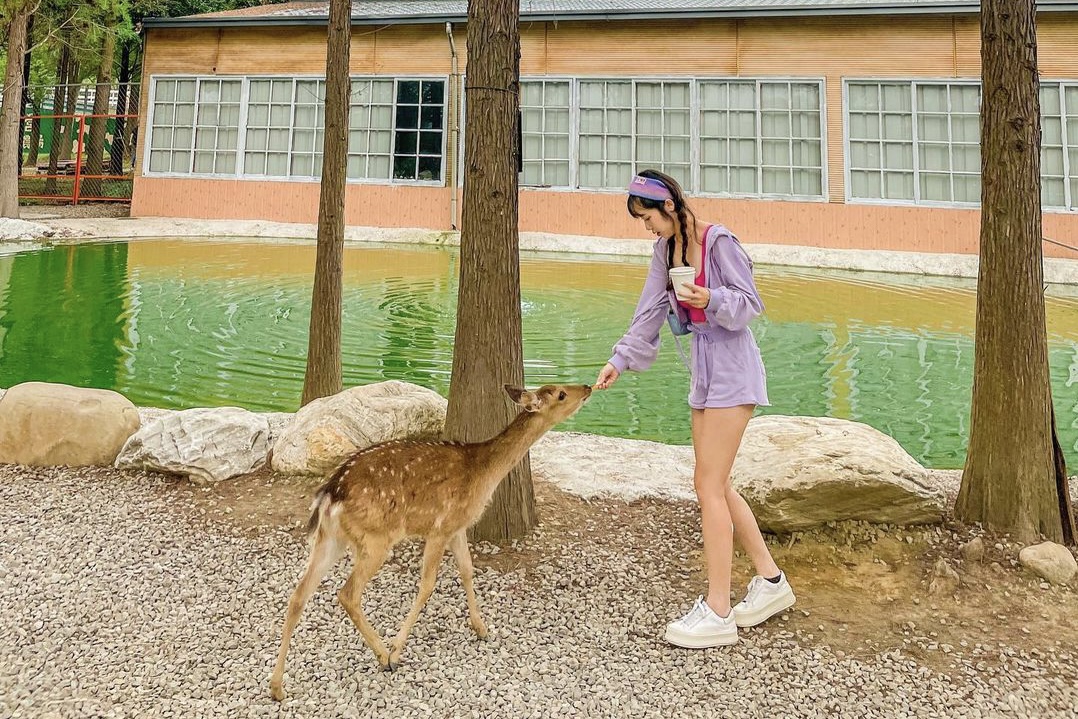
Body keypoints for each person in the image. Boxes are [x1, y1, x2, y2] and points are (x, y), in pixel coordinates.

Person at [594, 169, 795, 648]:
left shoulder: (718, 241)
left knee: (706, 484)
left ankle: (719, 610)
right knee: (718, 484)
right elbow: (648, 311)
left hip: (734, 369)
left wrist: (712, 298)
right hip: (703, 373)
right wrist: (618, 360)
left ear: (668, 206)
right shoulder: (664, 253)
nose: (646, 228)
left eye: (647, 218)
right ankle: (770, 583)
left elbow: (751, 302)